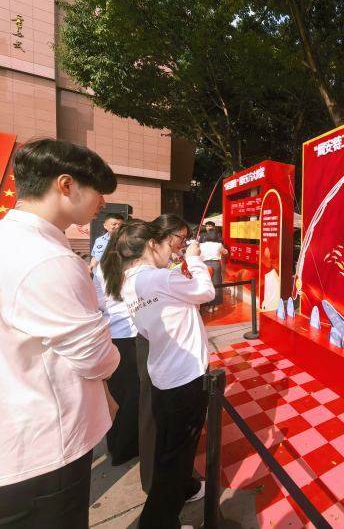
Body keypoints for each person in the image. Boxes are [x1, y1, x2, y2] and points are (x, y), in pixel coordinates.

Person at [0, 139, 121, 528]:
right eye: (99, 191)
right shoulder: (49, 259)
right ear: (66, 185)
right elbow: (96, 357)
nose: (103, 203)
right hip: (46, 450)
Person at [102, 218, 214, 529]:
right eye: (170, 243)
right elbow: (205, 291)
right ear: (152, 243)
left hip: (164, 374)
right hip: (186, 375)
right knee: (176, 456)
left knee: (170, 447)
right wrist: (194, 258)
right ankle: (158, 522)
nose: (174, 250)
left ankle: (182, 492)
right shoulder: (159, 278)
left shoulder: (129, 280)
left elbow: (170, 299)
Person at [93, 259, 140, 466]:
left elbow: (97, 302)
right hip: (131, 334)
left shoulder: (101, 265)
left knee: (119, 393)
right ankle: (128, 447)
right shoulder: (133, 264)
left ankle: (118, 448)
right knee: (133, 394)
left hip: (112, 334)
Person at [199, 228, 228, 311]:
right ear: (216, 236)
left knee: (206, 284)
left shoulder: (201, 245)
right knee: (216, 283)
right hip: (216, 264)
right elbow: (225, 252)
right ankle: (215, 305)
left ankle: (207, 305)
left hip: (205, 264)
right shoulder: (219, 245)